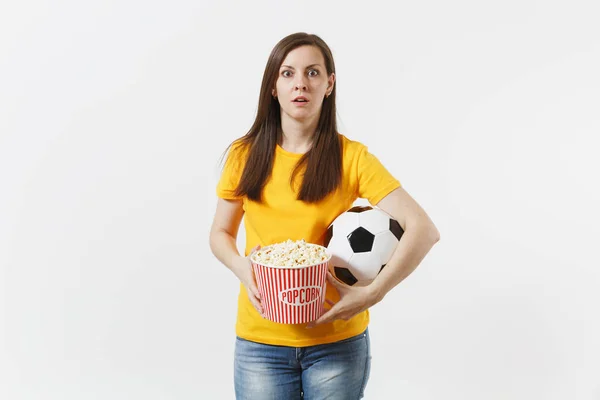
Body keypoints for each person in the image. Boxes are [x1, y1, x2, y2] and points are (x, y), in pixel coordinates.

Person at [209, 32, 440, 400]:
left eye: (313, 72)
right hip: (261, 343)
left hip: (337, 344)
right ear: (273, 85)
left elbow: (423, 230)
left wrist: (373, 293)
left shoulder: (352, 158)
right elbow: (220, 233)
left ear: (329, 84)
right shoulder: (244, 155)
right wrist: (242, 267)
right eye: (287, 73)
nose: (301, 83)